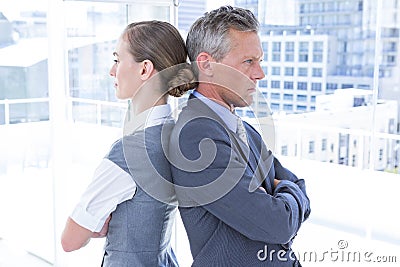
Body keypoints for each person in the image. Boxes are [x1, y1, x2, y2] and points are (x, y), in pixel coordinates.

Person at [169, 6, 311, 266]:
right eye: (248, 62)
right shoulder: (196, 138)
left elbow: (297, 183)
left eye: (260, 61)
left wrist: (285, 191)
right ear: (206, 64)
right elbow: (278, 225)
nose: (260, 74)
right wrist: (282, 193)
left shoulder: (243, 128)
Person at [61, 20, 196, 266]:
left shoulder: (129, 153)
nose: (112, 71)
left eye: (117, 59)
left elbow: (70, 240)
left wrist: (96, 227)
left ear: (144, 69)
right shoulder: (176, 135)